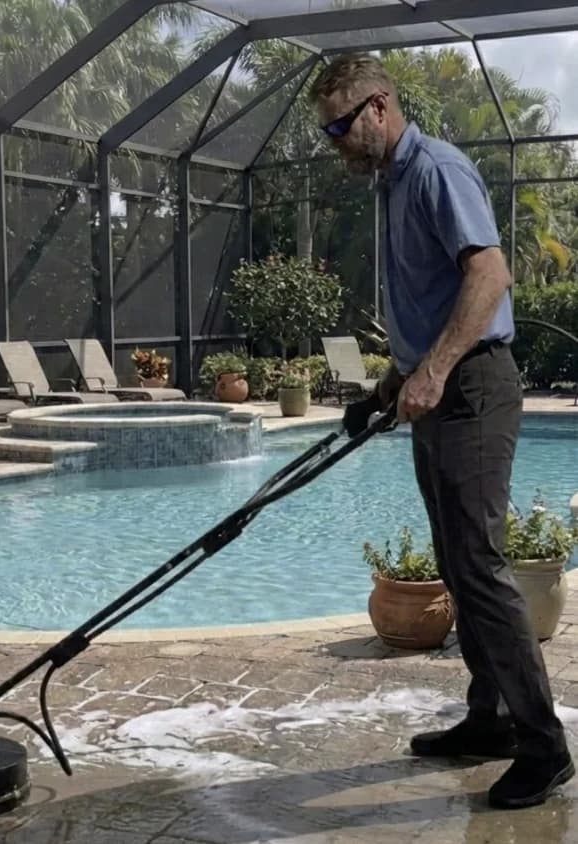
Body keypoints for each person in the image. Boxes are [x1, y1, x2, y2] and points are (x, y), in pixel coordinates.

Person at [309, 53, 573, 810]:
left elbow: (489, 276)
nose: (336, 145)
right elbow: (432, 302)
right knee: (460, 566)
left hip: (474, 390)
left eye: (340, 127)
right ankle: (488, 720)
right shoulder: (392, 184)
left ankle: (544, 744)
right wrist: (395, 380)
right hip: (438, 388)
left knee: (481, 569)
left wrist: (433, 374)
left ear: (379, 108)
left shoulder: (436, 170)